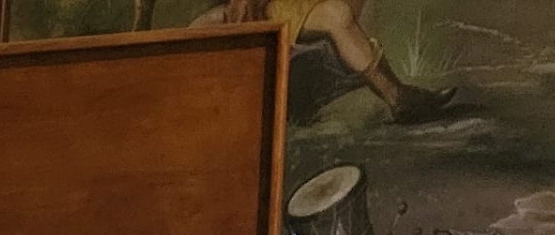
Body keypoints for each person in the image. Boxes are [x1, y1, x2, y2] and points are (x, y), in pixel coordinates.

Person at [193, 0, 454, 122]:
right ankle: (397, 96)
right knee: (337, 14)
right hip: (261, 6)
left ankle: (399, 98)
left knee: (339, 13)